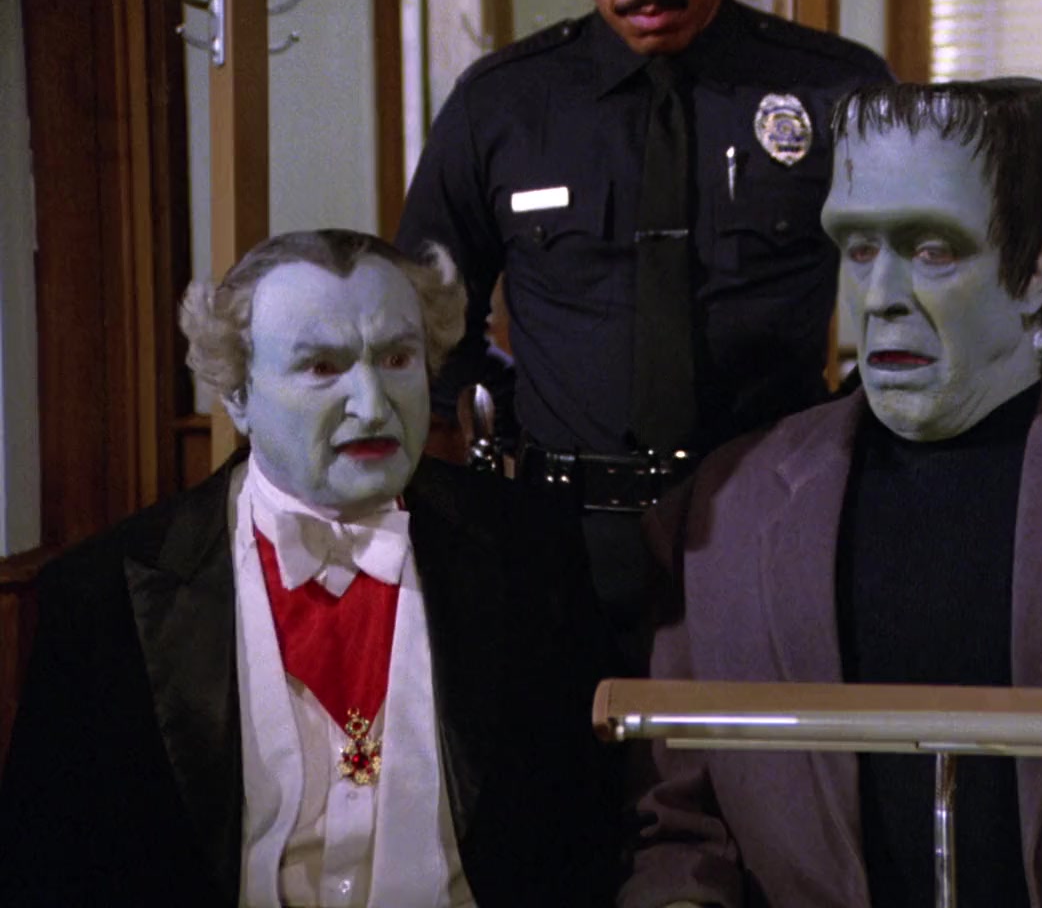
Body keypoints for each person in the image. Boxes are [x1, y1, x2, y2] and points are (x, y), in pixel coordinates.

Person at [619, 79, 1042, 907]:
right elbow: (683, 829)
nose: (880, 297)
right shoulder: (728, 506)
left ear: (1033, 271)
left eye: (933, 250)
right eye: (858, 249)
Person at [0, 230, 619, 906]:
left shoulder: (532, 554)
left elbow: (590, 832)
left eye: (397, 358)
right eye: (323, 367)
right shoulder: (103, 597)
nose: (373, 405)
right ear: (238, 395)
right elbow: (46, 870)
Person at [395, 0, 892, 671]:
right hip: (564, 538)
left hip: (772, 526)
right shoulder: (503, 104)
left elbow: (917, 287)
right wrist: (524, 411)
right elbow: (423, 316)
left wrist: (844, 431)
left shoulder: (834, 89)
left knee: (757, 743)